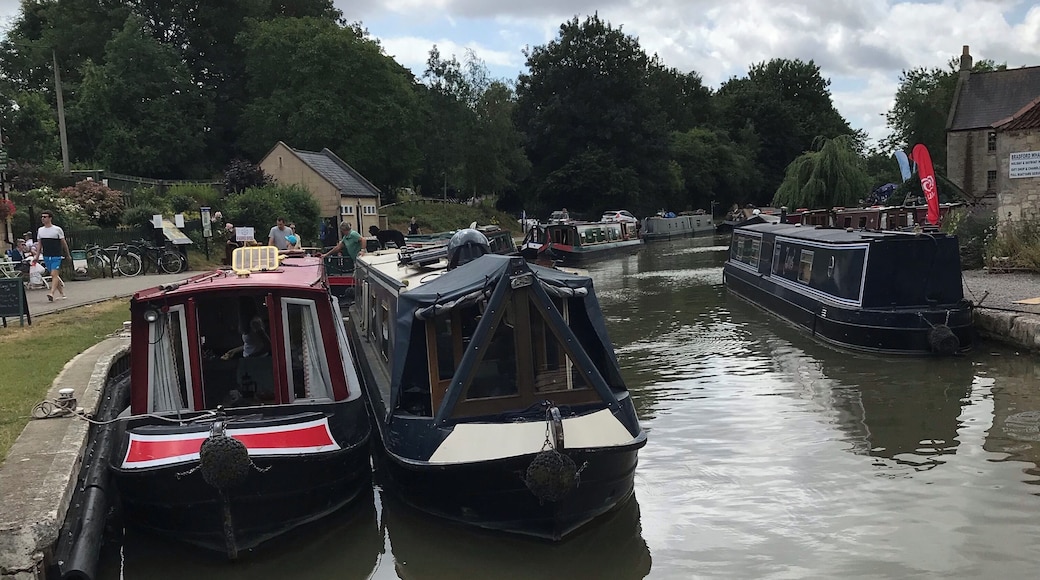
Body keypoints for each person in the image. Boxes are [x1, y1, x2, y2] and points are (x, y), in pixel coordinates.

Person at [34, 211, 70, 301]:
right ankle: (62, 293)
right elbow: (39, 244)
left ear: (50, 218)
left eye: (45, 217)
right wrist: (37, 256)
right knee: (54, 276)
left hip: (56, 255)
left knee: (54, 274)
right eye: (42, 217)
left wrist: (67, 254)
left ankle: (51, 293)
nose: (43, 218)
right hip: (46, 255)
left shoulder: (57, 229)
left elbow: (63, 242)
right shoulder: (40, 230)